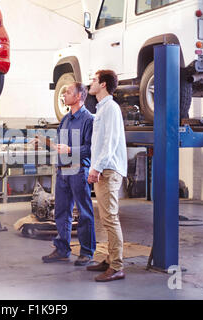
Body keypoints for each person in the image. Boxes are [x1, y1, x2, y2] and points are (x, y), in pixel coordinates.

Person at [38, 82, 96, 266]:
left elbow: (90, 149)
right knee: (62, 212)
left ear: (79, 96)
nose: (64, 95)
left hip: (78, 170)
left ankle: (87, 252)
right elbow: (60, 147)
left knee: (85, 213)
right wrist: (46, 144)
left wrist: (70, 149)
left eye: (68, 92)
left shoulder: (88, 119)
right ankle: (62, 249)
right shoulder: (65, 120)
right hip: (63, 172)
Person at [86, 70, 128, 282]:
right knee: (105, 217)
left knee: (110, 218)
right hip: (104, 168)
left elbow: (109, 142)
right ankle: (111, 259)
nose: (90, 83)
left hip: (109, 169)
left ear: (103, 84)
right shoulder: (102, 109)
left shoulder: (110, 108)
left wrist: (97, 167)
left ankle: (117, 266)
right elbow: (99, 143)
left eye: (94, 80)